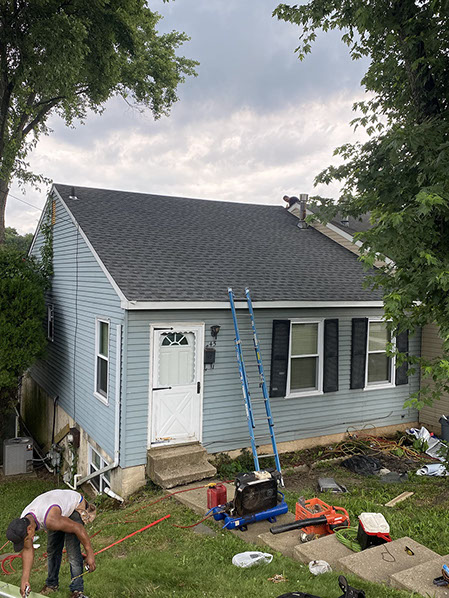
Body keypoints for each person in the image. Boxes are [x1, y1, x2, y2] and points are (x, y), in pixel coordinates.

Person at [6, 489, 97, 598]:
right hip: (55, 509)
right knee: (52, 550)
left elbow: (78, 528)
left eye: (26, 539)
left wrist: (90, 554)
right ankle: (51, 585)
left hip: (75, 506)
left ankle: (77, 591)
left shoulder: (50, 520)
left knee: (72, 551)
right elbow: (28, 549)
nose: (28, 541)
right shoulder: (23, 523)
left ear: (30, 529)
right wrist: (24, 580)